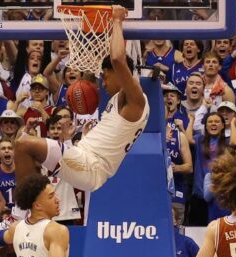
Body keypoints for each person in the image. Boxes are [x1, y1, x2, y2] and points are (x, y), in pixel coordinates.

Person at [13, 5, 150, 200]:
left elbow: (118, 58)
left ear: (119, 73)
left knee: (24, 145)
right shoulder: (121, 101)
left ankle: (24, 214)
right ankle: (37, 213)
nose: (103, 82)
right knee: (27, 151)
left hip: (89, 164)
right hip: (87, 161)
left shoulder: (136, 99)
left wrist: (117, 21)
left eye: (105, 75)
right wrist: (86, 136)